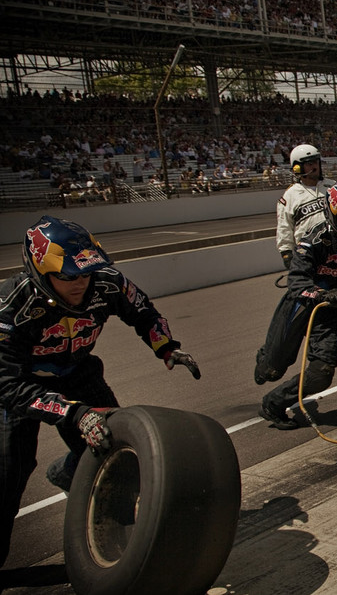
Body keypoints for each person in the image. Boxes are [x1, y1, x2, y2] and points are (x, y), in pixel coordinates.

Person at [0, 217, 200, 565]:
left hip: (78, 373)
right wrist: (75, 413)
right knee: (8, 477)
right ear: (39, 271)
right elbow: (6, 384)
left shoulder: (107, 281)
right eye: (67, 276)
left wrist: (166, 346)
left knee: (114, 452)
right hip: (21, 385)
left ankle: (105, 530)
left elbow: (143, 312)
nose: (80, 283)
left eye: (85, 273)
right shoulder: (10, 306)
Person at [255, 183, 337, 430]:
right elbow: (296, 282)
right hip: (300, 306)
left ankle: (273, 404)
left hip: (332, 315)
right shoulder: (315, 238)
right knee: (269, 371)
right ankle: (267, 356)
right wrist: (323, 294)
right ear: (333, 215)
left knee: (321, 374)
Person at [276, 144, 336, 270]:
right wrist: (286, 253)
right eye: (309, 163)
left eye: (316, 162)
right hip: (307, 254)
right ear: (298, 168)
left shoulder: (333, 187)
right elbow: (284, 226)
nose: (314, 166)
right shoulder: (290, 195)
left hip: (335, 250)